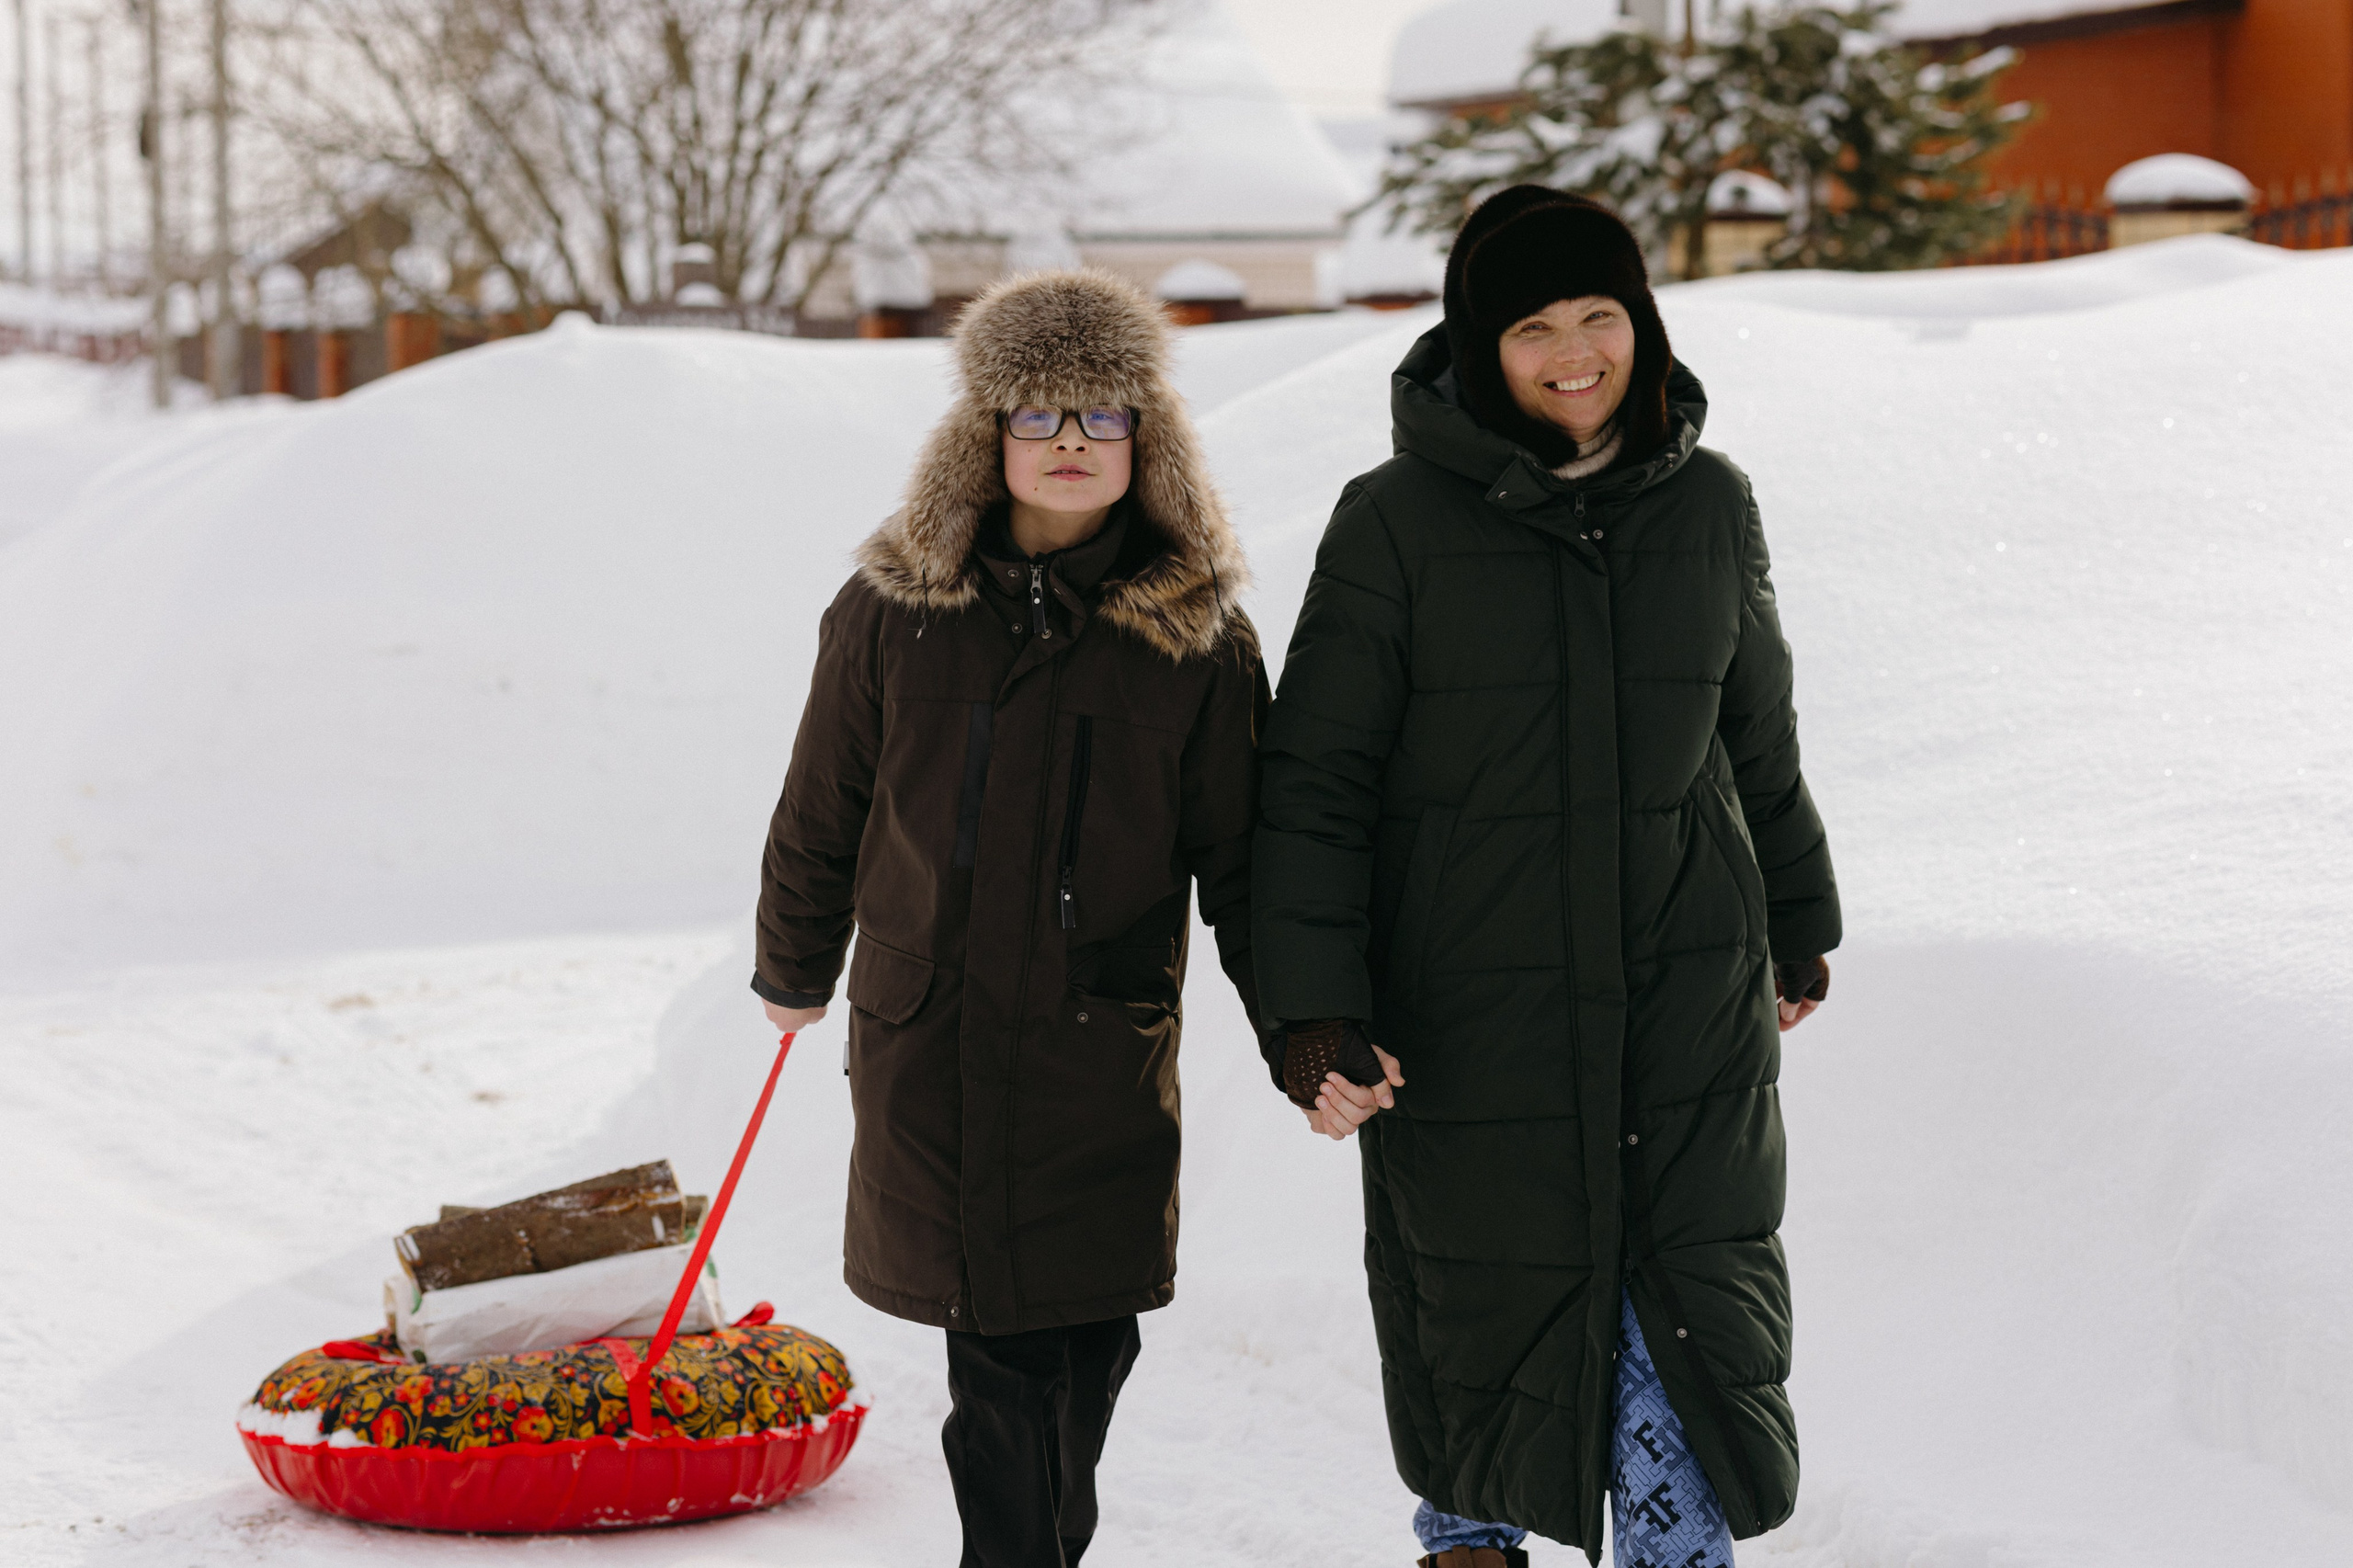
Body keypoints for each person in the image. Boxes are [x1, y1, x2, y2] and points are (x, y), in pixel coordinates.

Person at [1251, 186, 1841, 1568]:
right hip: (1472, 1016)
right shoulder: (1393, 523)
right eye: (1535, 327)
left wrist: (1799, 921)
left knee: (1685, 1347)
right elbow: (1316, 783)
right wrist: (1315, 1013)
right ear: (1480, 345)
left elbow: (1754, 729)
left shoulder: (1711, 502)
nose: (1578, 352)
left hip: (1682, 1001)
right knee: (1492, 1331)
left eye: (1603, 315)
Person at [749, 267, 1317, 1568]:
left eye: (1102, 416)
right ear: (986, 436)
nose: (1070, 443)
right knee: (998, 1368)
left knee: (1087, 1347)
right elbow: (820, 809)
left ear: (1145, 441)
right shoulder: (896, 612)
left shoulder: (1197, 640)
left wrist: (1302, 1028)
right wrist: (796, 964)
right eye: (1038, 416)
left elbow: (1246, 866)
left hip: (1093, 1058)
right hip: (935, 1042)